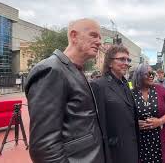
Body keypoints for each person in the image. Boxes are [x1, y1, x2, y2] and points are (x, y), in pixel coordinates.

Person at [25, 19, 105, 163]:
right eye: (93, 35)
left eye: (100, 37)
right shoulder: (51, 70)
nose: (99, 41)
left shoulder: (75, 70)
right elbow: (44, 146)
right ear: (74, 36)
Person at [91, 45, 139, 163]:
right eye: (122, 59)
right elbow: (99, 124)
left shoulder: (125, 84)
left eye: (128, 60)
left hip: (131, 147)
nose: (126, 63)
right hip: (114, 152)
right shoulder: (98, 85)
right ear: (110, 62)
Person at [131, 64, 165, 163]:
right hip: (139, 142)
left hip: (159, 140)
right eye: (147, 74)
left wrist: (160, 121)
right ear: (139, 75)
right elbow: (124, 115)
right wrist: (134, 123)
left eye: (152, 73)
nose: (151, 76)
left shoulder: (160, 90)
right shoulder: (131, 93)